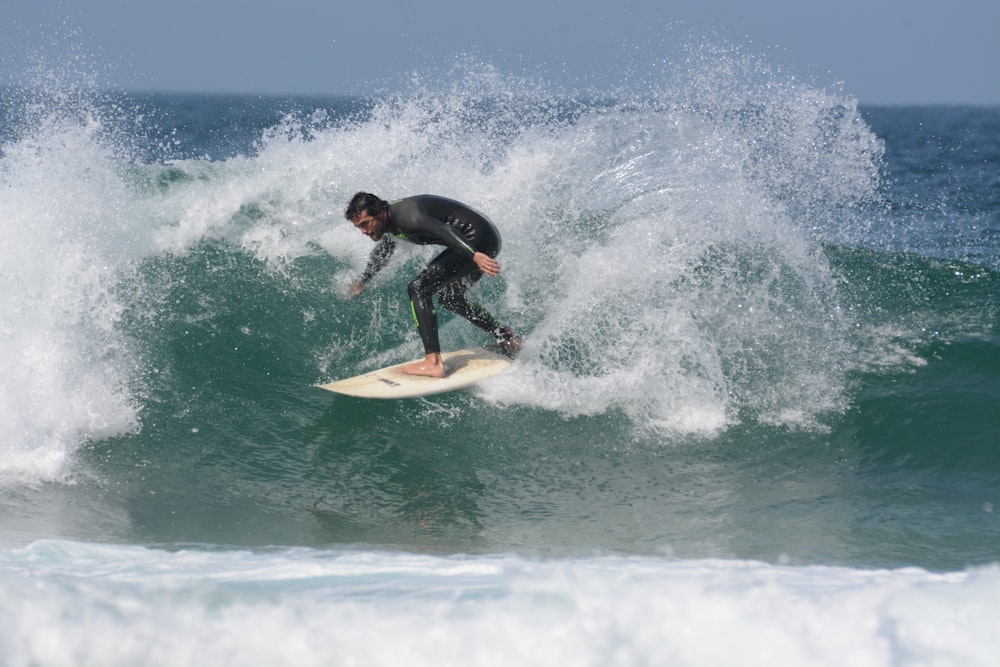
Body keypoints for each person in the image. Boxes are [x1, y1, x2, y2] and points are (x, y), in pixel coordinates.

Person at [345, 192, 522, 378]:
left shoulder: (408, 219)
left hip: (477, 243)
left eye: (365, 224)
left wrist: (474, 255)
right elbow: (384, 249)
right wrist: (364, 279)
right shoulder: (390, 221)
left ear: (380, 213)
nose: (363, 231)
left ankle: (433, 362)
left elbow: (444, 230)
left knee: (418, 288)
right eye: (359, 227)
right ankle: (507, 337)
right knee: (450, 298)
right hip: (478, 241)